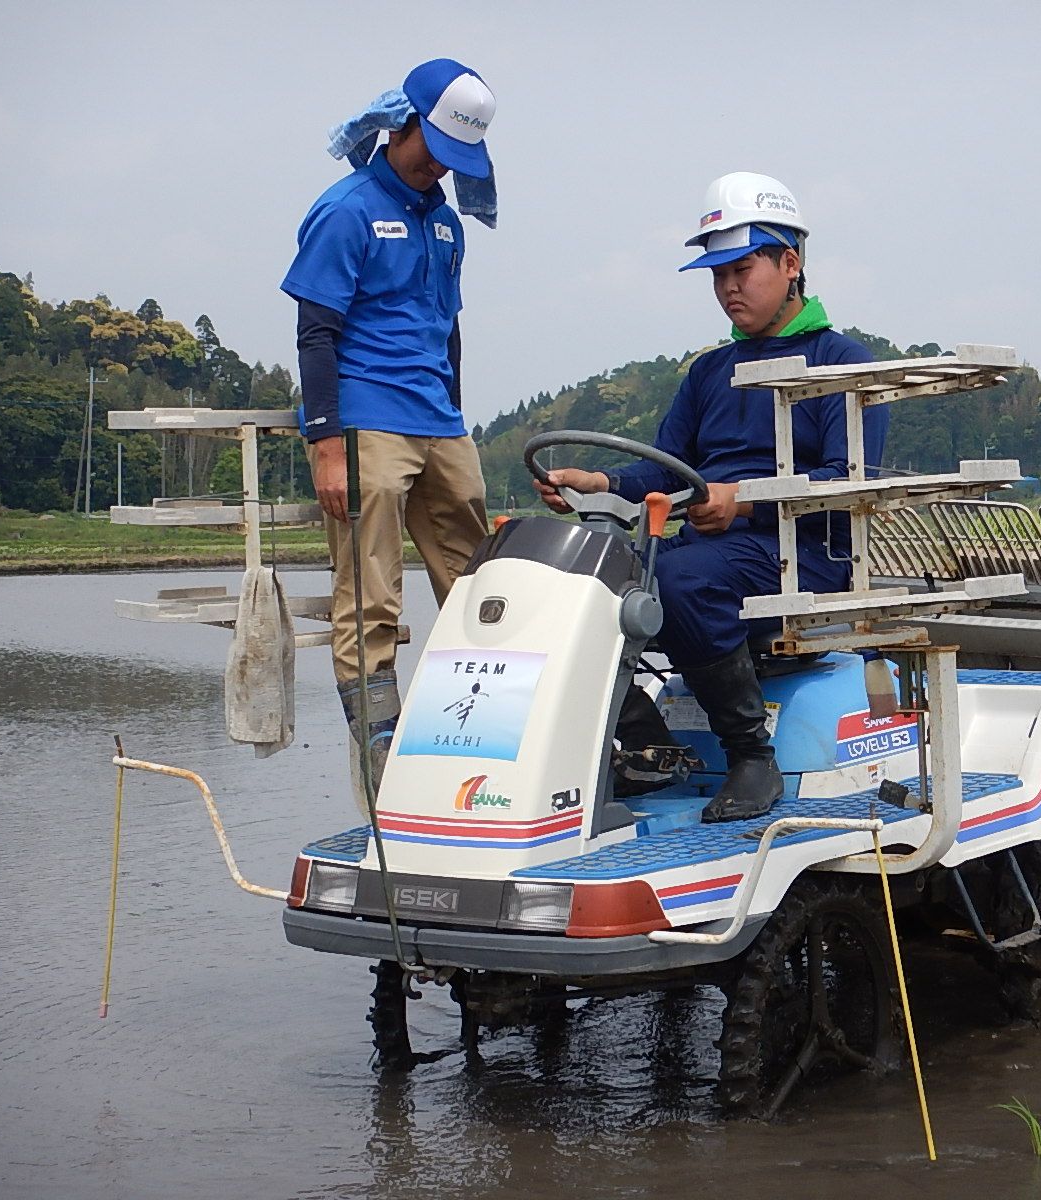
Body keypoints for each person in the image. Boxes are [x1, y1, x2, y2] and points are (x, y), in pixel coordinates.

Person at [535, 171, 886, 823]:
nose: (728, 287)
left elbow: (847, 485)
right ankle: (642, 744)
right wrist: (601, 483)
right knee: (572, 574)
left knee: (678, 580)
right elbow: (666, 472)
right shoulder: (708, 371)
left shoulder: (843, 364)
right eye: (717, 274)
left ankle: (751, 755)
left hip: (806, 557)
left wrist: (743, 500)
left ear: (790, 263)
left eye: (741, 269)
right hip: (714, 553)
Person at [282, 58, 497, 801]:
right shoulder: (345, 209)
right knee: (372, 594)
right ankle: (383, 758)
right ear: (403, 125)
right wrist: (326, 446)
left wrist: (457, 413)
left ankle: (485, 726)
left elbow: (449, 329)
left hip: (438, 419)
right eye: (435, 146)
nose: (442, 165)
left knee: (482, 581)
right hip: (368, 418)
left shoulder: (443, 220)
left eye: (456, 157)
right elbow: (316, 332)